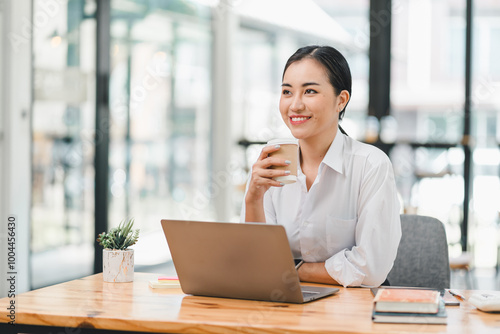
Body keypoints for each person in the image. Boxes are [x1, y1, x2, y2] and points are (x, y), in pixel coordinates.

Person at [241, 45, 401, 287]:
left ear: (341, 100)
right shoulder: (272, 162)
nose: (294, 105)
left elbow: (370, 269)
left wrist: (293, 270)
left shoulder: (370, 165)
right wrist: (253, 197)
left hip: (350, 311)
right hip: (283, 303)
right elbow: (255, 262)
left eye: (310, 91)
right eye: (287, 92)